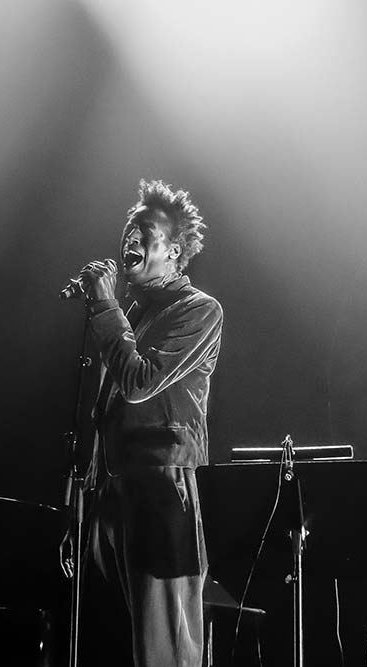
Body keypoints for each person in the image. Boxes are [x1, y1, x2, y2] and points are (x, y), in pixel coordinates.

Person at [60, 179, 223, 667]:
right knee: (115, 645)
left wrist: (105, 307)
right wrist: (80, 509)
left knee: (164, 649)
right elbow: (104, 412)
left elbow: (138, 382)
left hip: (162, 490)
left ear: (173, 251)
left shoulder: (198, 310)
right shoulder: (132, 314)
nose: (130, 236)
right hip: (111, 495)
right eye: (129, 228)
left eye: (145, 230)